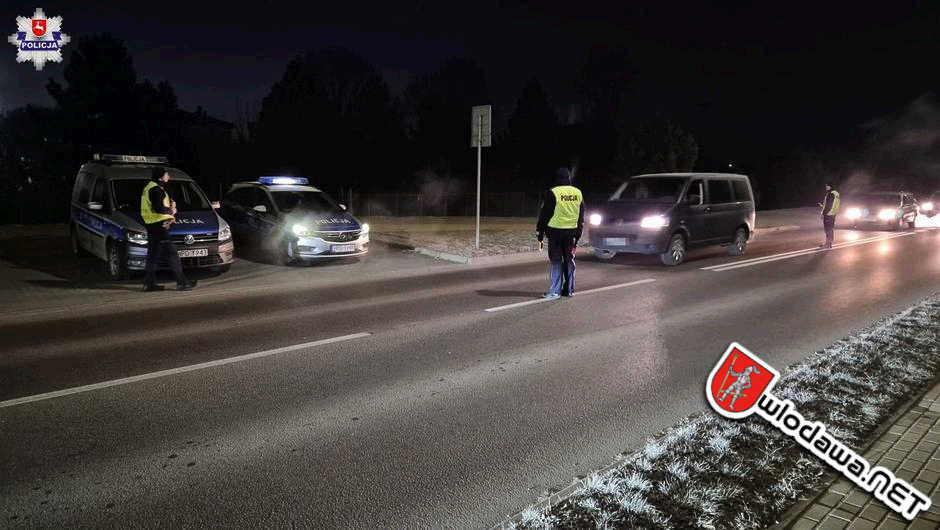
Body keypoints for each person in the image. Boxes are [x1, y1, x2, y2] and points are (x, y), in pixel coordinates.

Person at [140, 167, 196, 291]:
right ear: (160, 177)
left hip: (152, 225)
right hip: (159, 226)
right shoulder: (155, 189)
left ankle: (148, 284)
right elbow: (158, 208)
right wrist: (172, 210)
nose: (168, 176)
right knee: (172, 254)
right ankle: (182, 283)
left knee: (153, 255)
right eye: (166, 174)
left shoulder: (150, 187)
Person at [536, 167, 584, 299]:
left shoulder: (553, 192)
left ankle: (555, 292)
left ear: (557, 178)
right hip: (571, 233)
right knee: (569, 260)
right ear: (569, 178)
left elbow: (545, 214)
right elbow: (581, 216)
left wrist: (540, 231)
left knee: (556, 261)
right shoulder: (577, 192)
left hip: (555, 233)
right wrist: (578, 234)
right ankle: (569, 290)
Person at [818, 182, 840, 248]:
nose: (826, 187)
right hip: (833, 214)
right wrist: (823, 206)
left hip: (828, 214)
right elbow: (833, 204)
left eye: (827, 186)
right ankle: (829, 243)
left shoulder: (830, 194)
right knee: (830, 229)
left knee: (827, 229)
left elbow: (828, 205)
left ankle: (827, 244)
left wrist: (823, 214)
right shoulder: (836, 193)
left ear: (830, 186)